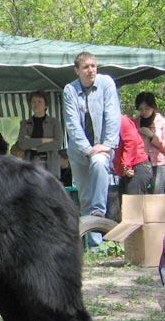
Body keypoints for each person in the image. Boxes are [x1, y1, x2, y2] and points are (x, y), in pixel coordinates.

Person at [63, 51, 121, 246]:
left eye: (93, 66)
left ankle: (98, 212)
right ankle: (94, 245)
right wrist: (88, 149)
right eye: (86, 67)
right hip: (79, 150)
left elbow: (113, 115)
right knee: (85, 197)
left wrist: (107, 144)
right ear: (77, 70)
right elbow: (72, 125)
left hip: (103, 147)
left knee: (98, 163)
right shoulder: (69, 90)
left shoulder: (107, 83)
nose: (90, 70)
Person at [17, 90, 63, 178]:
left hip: (50, 163)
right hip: (30, 163)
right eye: (33, 102)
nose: (36, 104)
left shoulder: (54, 122)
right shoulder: (24, 123)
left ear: (45, 105)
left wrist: (33, 146)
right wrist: (44, 140)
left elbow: (58, 144)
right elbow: (22, 144)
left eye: (39, 101)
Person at [134, 92, 165, 194]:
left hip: (158, 165)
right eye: (141, 109)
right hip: (140, 165)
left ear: (153, 107)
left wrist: (152, 137)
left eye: (147, 108)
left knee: (156, 196)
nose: (144, 112)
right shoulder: (135, 123)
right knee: (140, 197)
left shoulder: (163, 122)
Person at [113, 114, 152, 195]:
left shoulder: (122, 120)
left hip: (138, 167)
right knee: (123, 205)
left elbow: (131, 141)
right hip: (125, 172)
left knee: (133, 204)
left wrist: (126, 165)